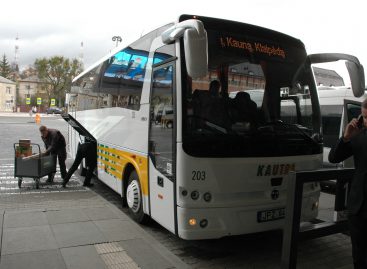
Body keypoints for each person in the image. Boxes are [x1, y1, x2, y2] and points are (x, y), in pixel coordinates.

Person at [328, 98, 367, 269]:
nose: (366, 122)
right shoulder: (358, 136)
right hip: (358, 207)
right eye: (365, 118)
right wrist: (345, 138)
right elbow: (333, 158)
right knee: (358, 255)